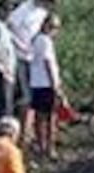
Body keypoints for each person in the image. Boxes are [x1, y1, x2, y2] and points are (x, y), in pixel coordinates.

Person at [8, 0, 58, 139]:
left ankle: (32, 133)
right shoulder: (22, 11)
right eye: (46, 3)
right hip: (22, 56)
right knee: (27, 97)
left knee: (37, 95)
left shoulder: (42, 12)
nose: (46, 7)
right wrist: (22, 46)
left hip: (35, 58)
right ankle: (24, 134)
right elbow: (9, 29)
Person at [28, 13, 66, 161]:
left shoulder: (36, 40)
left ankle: (41, 146)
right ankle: (49, 148)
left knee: (40, 117)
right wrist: (56, 86)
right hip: (46, 84)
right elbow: (48, 63)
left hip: (36, 83)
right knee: (50, 118)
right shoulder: (45, 41)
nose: (55, 31)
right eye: (53, 27)